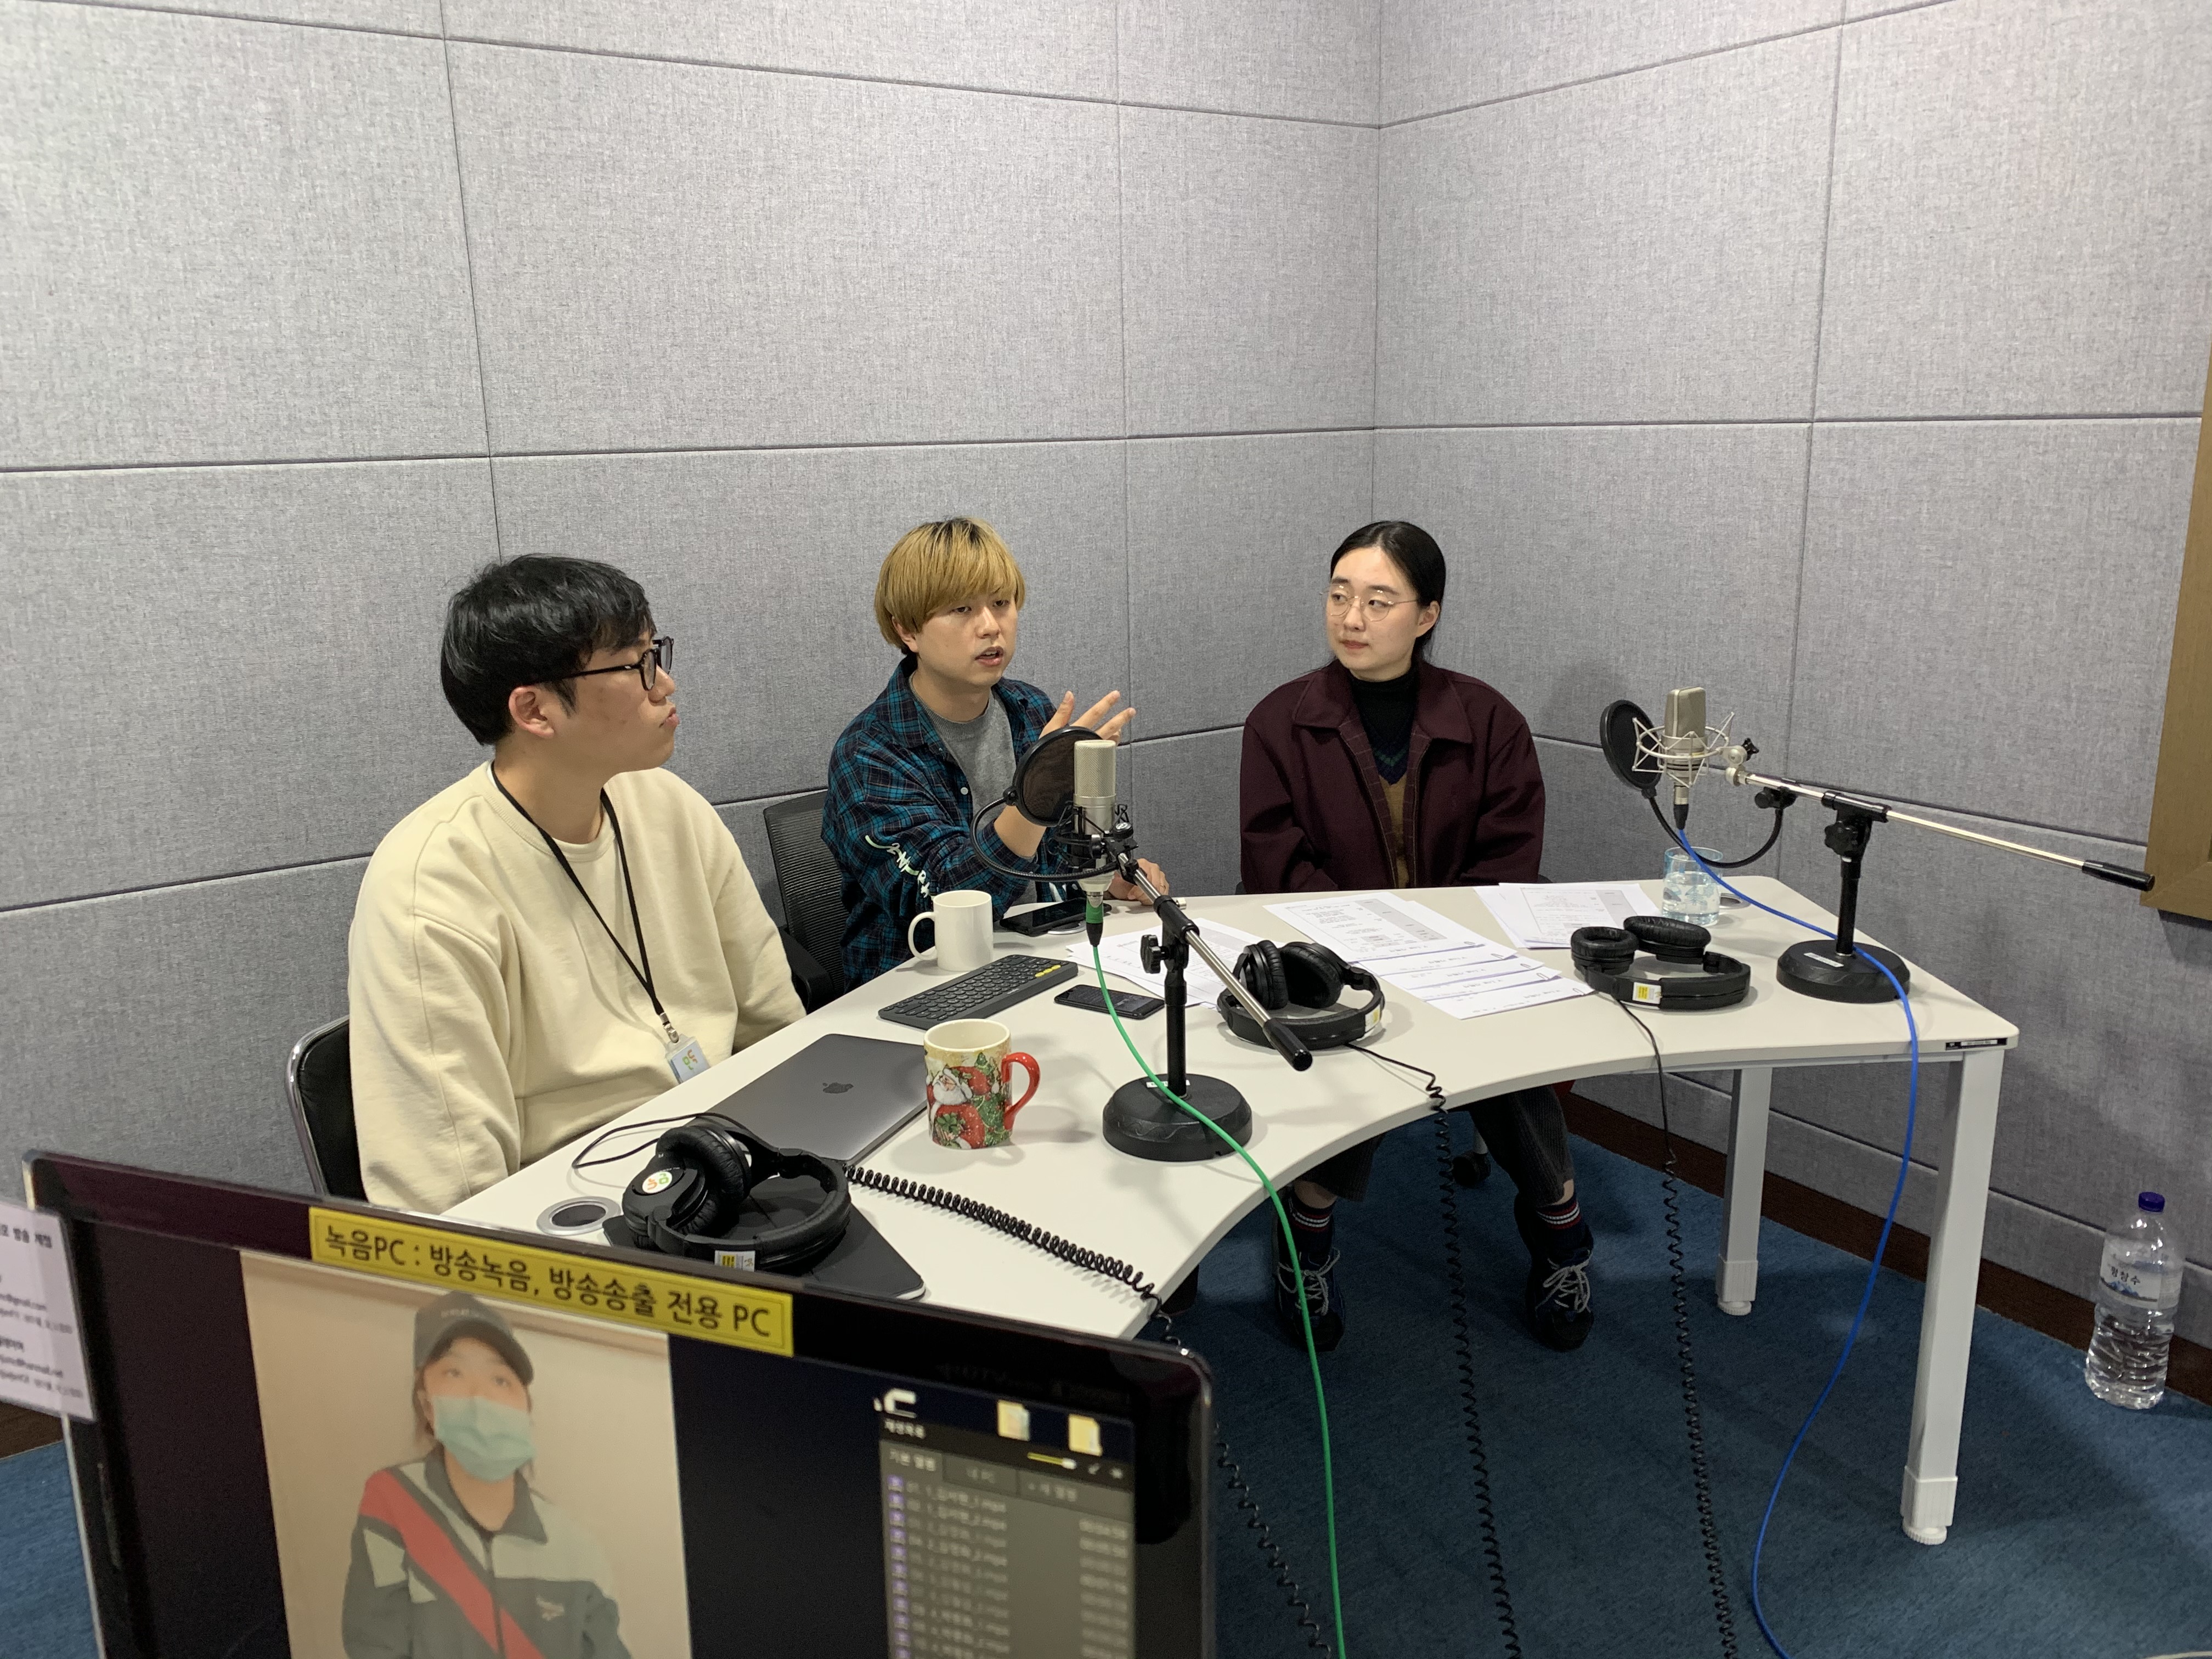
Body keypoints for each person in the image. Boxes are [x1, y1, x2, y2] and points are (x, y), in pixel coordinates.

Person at [349, 557, 803, 1214]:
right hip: (571, 1214)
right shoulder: (429, 886)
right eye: (635, 664)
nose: (665, 683)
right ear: (534, 709)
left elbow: (774, 1027)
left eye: (656, 654)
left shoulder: (669, 807)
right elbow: (447, 1197)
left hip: (726, 1164)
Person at [1240, 521, 1593, 1353]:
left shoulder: (1491, 720)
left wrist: (1437, 952)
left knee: (1507, 1054)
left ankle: (1562, 1235)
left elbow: (1509, 862)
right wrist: (1362, 954)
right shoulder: (1279, 721)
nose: (1351, 618)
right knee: (1350, 1042)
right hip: (1336, 960)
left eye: (1378, 601)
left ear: (1427, 614)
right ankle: (1307, 1243)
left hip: (1462, 955)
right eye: (1339, 596)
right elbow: (1275, 864)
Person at [826, 517, 1166, 986]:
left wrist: (1106, 879)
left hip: (1045, 958)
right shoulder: (869, 755)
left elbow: (1063, 854)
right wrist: (1035, 796)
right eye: (962, 609)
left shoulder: (1030, 711)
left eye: (1002, 603)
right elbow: (946, 903)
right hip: (920, 988)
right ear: (908, 631)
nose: (991, 627)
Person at [344, 1293, 628, 1658]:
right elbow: (375, 1646)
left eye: (500, 1380)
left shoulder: (576, 1548)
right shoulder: (394, 1503)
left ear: (526, 1407)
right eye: (454, 1373)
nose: (481, 1396)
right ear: (427, 1405)